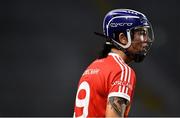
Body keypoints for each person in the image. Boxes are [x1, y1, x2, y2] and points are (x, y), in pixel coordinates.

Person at [73, 9, 154, 117]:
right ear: (123, 38)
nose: (146, 40)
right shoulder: (122, 71)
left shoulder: (92, 68)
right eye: (142, 33)